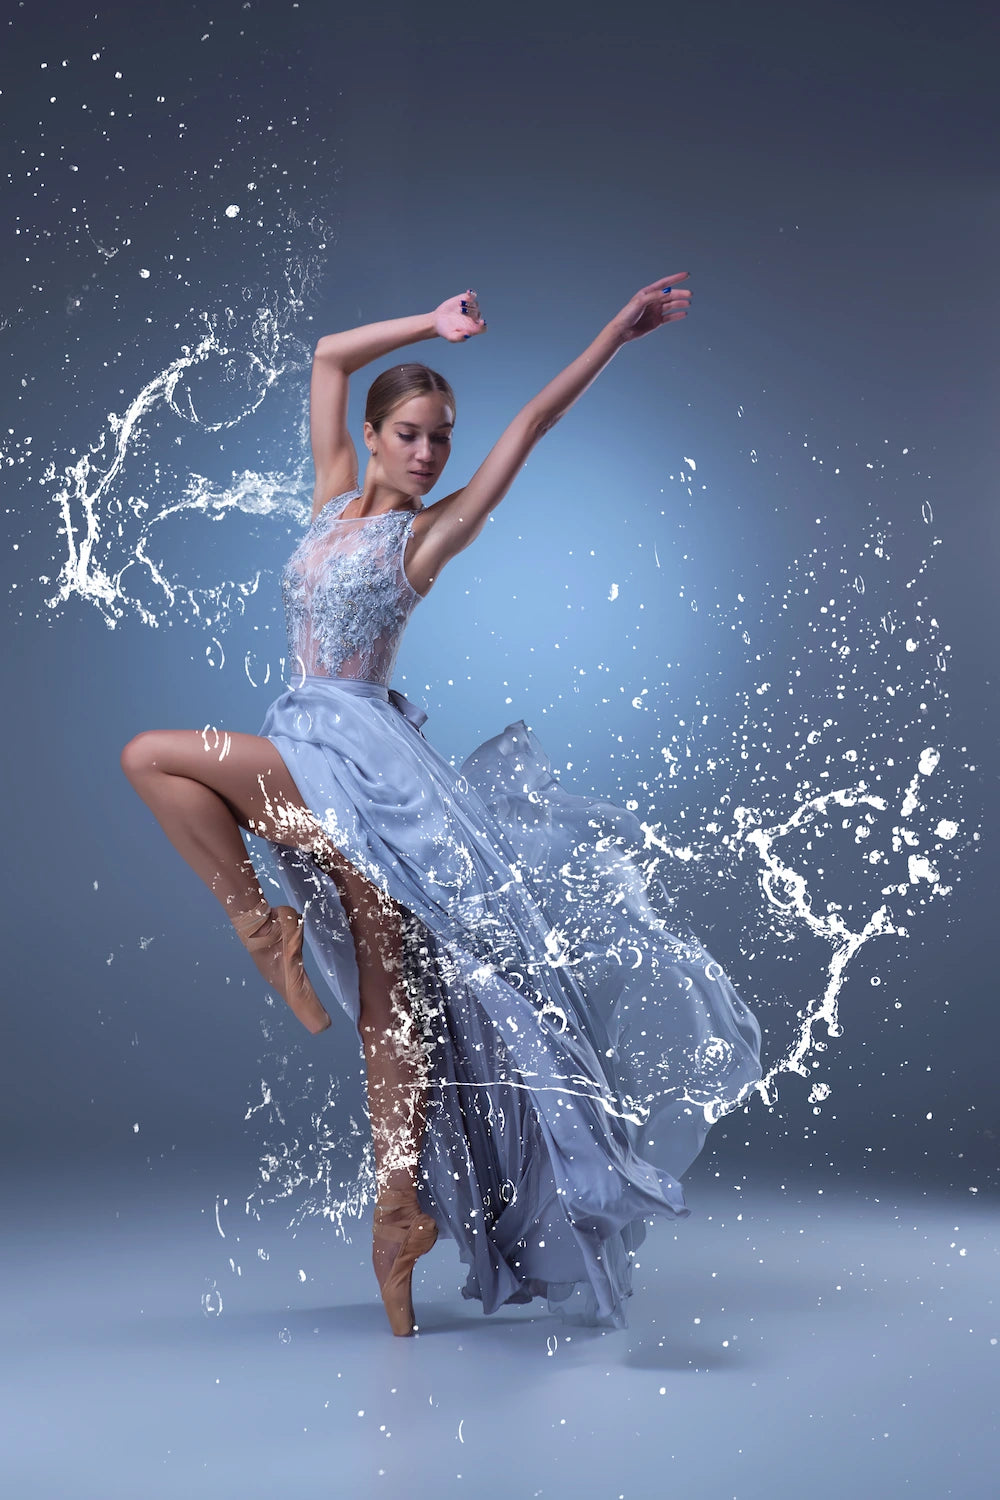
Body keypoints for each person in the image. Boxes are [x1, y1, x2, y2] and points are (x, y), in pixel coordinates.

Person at [121, 276, 762, 1336]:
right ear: (373, 439)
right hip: (312, 747)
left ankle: (394, 1204)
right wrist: (430, 322)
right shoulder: (332, 496)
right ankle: (282, 957)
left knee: (391, 997)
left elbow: (536, 422)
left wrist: (612, 331)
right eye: (411, 434)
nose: (428, 454)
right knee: (176, 777)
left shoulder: (427, 537)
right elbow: (329, 355)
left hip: (369, 768)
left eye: (440, 439)